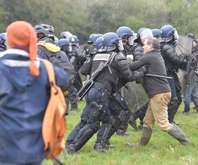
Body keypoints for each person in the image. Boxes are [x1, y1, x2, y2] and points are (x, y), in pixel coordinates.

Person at [0, 21, 68, 165]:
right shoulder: (46, 68)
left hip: (4, 148)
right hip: (35, 148)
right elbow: (64, 79)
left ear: (9, 40)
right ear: (32, 39)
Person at [66, 32, 142, 152]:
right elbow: (129, 76)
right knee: (93, 123)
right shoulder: (117, 57)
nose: (120, 44)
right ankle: (72, 148)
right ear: (114, 44)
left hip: (92, 91)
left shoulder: (96, 55)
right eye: (118, 42)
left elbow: (84, 70)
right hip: (102, 93)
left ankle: (95, 144)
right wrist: (141, 73)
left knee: (93, 120)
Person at [160, 24, 189, 123]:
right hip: (168, 76)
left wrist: (185, 64)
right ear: (171, 35)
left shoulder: (168, 46)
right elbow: (176, 59)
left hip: (171, 74)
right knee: (173, 100)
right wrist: (186, 60)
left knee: (178, 98)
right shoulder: (166, 47)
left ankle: (169, 120)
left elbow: (176, 62)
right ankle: (168, 121)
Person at [183, 39, 198, 113]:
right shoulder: (193, 53)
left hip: (193, 75)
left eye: (194, 43)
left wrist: (196, 74)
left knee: (188, 93)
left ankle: (186, 110)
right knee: (195, 93)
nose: (192, 44)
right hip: (192, 74)